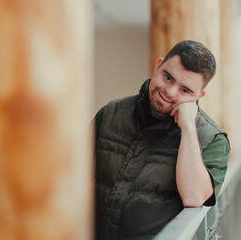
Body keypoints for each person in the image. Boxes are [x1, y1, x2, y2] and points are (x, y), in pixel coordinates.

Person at [93, 40, 230, 240]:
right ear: (158, 66)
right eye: (168, 77)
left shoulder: (213, 140)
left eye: (185, 90)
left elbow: (194, 197)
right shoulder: (110, 113)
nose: (170, 92)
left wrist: (189, 129)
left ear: (199, 95)